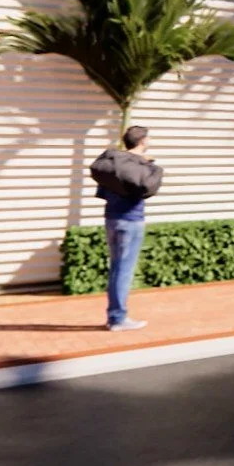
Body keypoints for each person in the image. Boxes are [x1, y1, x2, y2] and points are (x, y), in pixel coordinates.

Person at [88, 125, 162, 331]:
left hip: (111, 218)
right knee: (124, 271)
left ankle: (115, 315)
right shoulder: (141, 166)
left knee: (116, 269)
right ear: (143, 142)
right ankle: (118, 319)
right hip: (131, 220)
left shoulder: (112, 163)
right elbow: (147, 189)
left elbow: (102, 191)